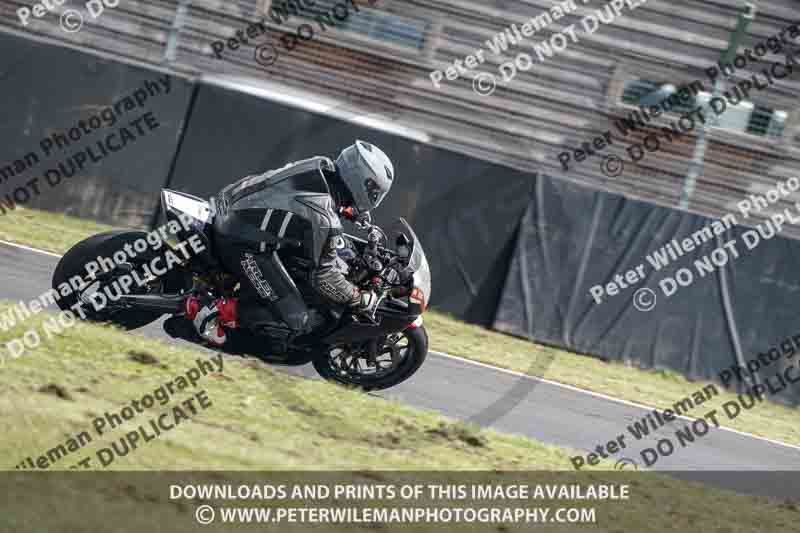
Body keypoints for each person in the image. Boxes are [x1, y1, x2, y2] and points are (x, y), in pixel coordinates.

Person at [181, 140, 395, 348]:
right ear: (362, 183)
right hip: (243, 242)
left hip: (230, 206)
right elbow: (323, 277)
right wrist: (358, 298)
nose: (375, 198)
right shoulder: (324, 218)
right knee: (295, 319)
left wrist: (348, 211)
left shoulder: (320, 166)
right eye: (374, 192)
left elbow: (303, 202)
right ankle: (209, 310)